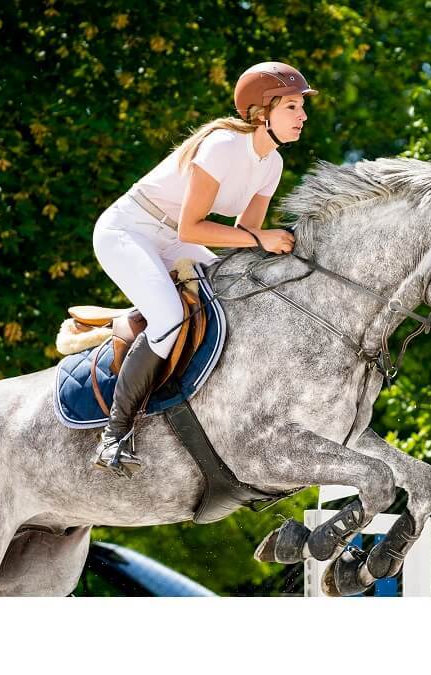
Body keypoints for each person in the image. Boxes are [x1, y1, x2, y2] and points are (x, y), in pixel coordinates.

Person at [90, 61, 317, 477]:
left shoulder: (272, 164)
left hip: (171, 237)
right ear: (261, 112)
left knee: (237, 296)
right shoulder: (224, 146)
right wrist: (262, 239)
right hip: (128, 230)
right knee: (169, 317)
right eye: (292, 106)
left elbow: (246, 234)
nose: (302, 115)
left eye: (301, 107)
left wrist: (279, 249)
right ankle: (114, 434)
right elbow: (193, 228)